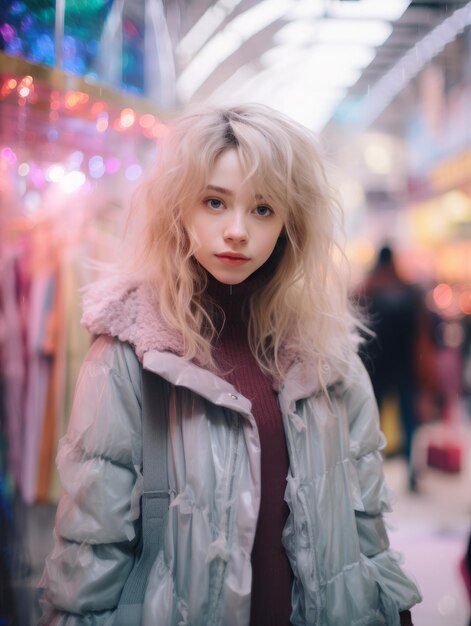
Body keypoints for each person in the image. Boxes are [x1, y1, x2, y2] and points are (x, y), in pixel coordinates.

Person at [38, 104, 421, 625]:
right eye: (215, 202)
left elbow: (367, 530)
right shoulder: (132, 354)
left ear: (291, 221)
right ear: (180, 210)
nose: (237, 230)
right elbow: (90, 554)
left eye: (263, 209)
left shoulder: (328, 356)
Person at [357, 245, 424, 492]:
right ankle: (411, 473)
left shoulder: (367, 291)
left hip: (375, 368)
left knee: (371, 423)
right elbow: (418, 336)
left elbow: (361, 337)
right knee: (408, 421)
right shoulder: (407, 292)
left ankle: (371, 475)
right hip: (405, 367)